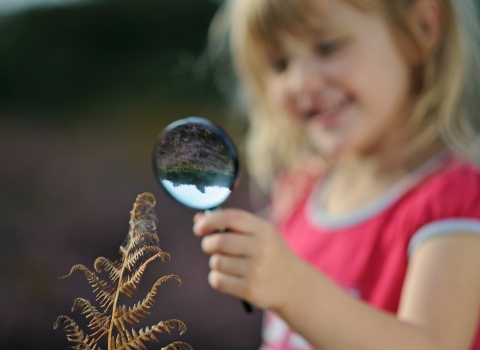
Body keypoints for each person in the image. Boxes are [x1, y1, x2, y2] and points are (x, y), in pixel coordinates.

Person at [193, 0, 480, 349]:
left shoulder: (456, 200)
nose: (302, 82)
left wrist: (294, 288)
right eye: (279, 64)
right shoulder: (301, 189)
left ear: (421, 25)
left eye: (328, 47)